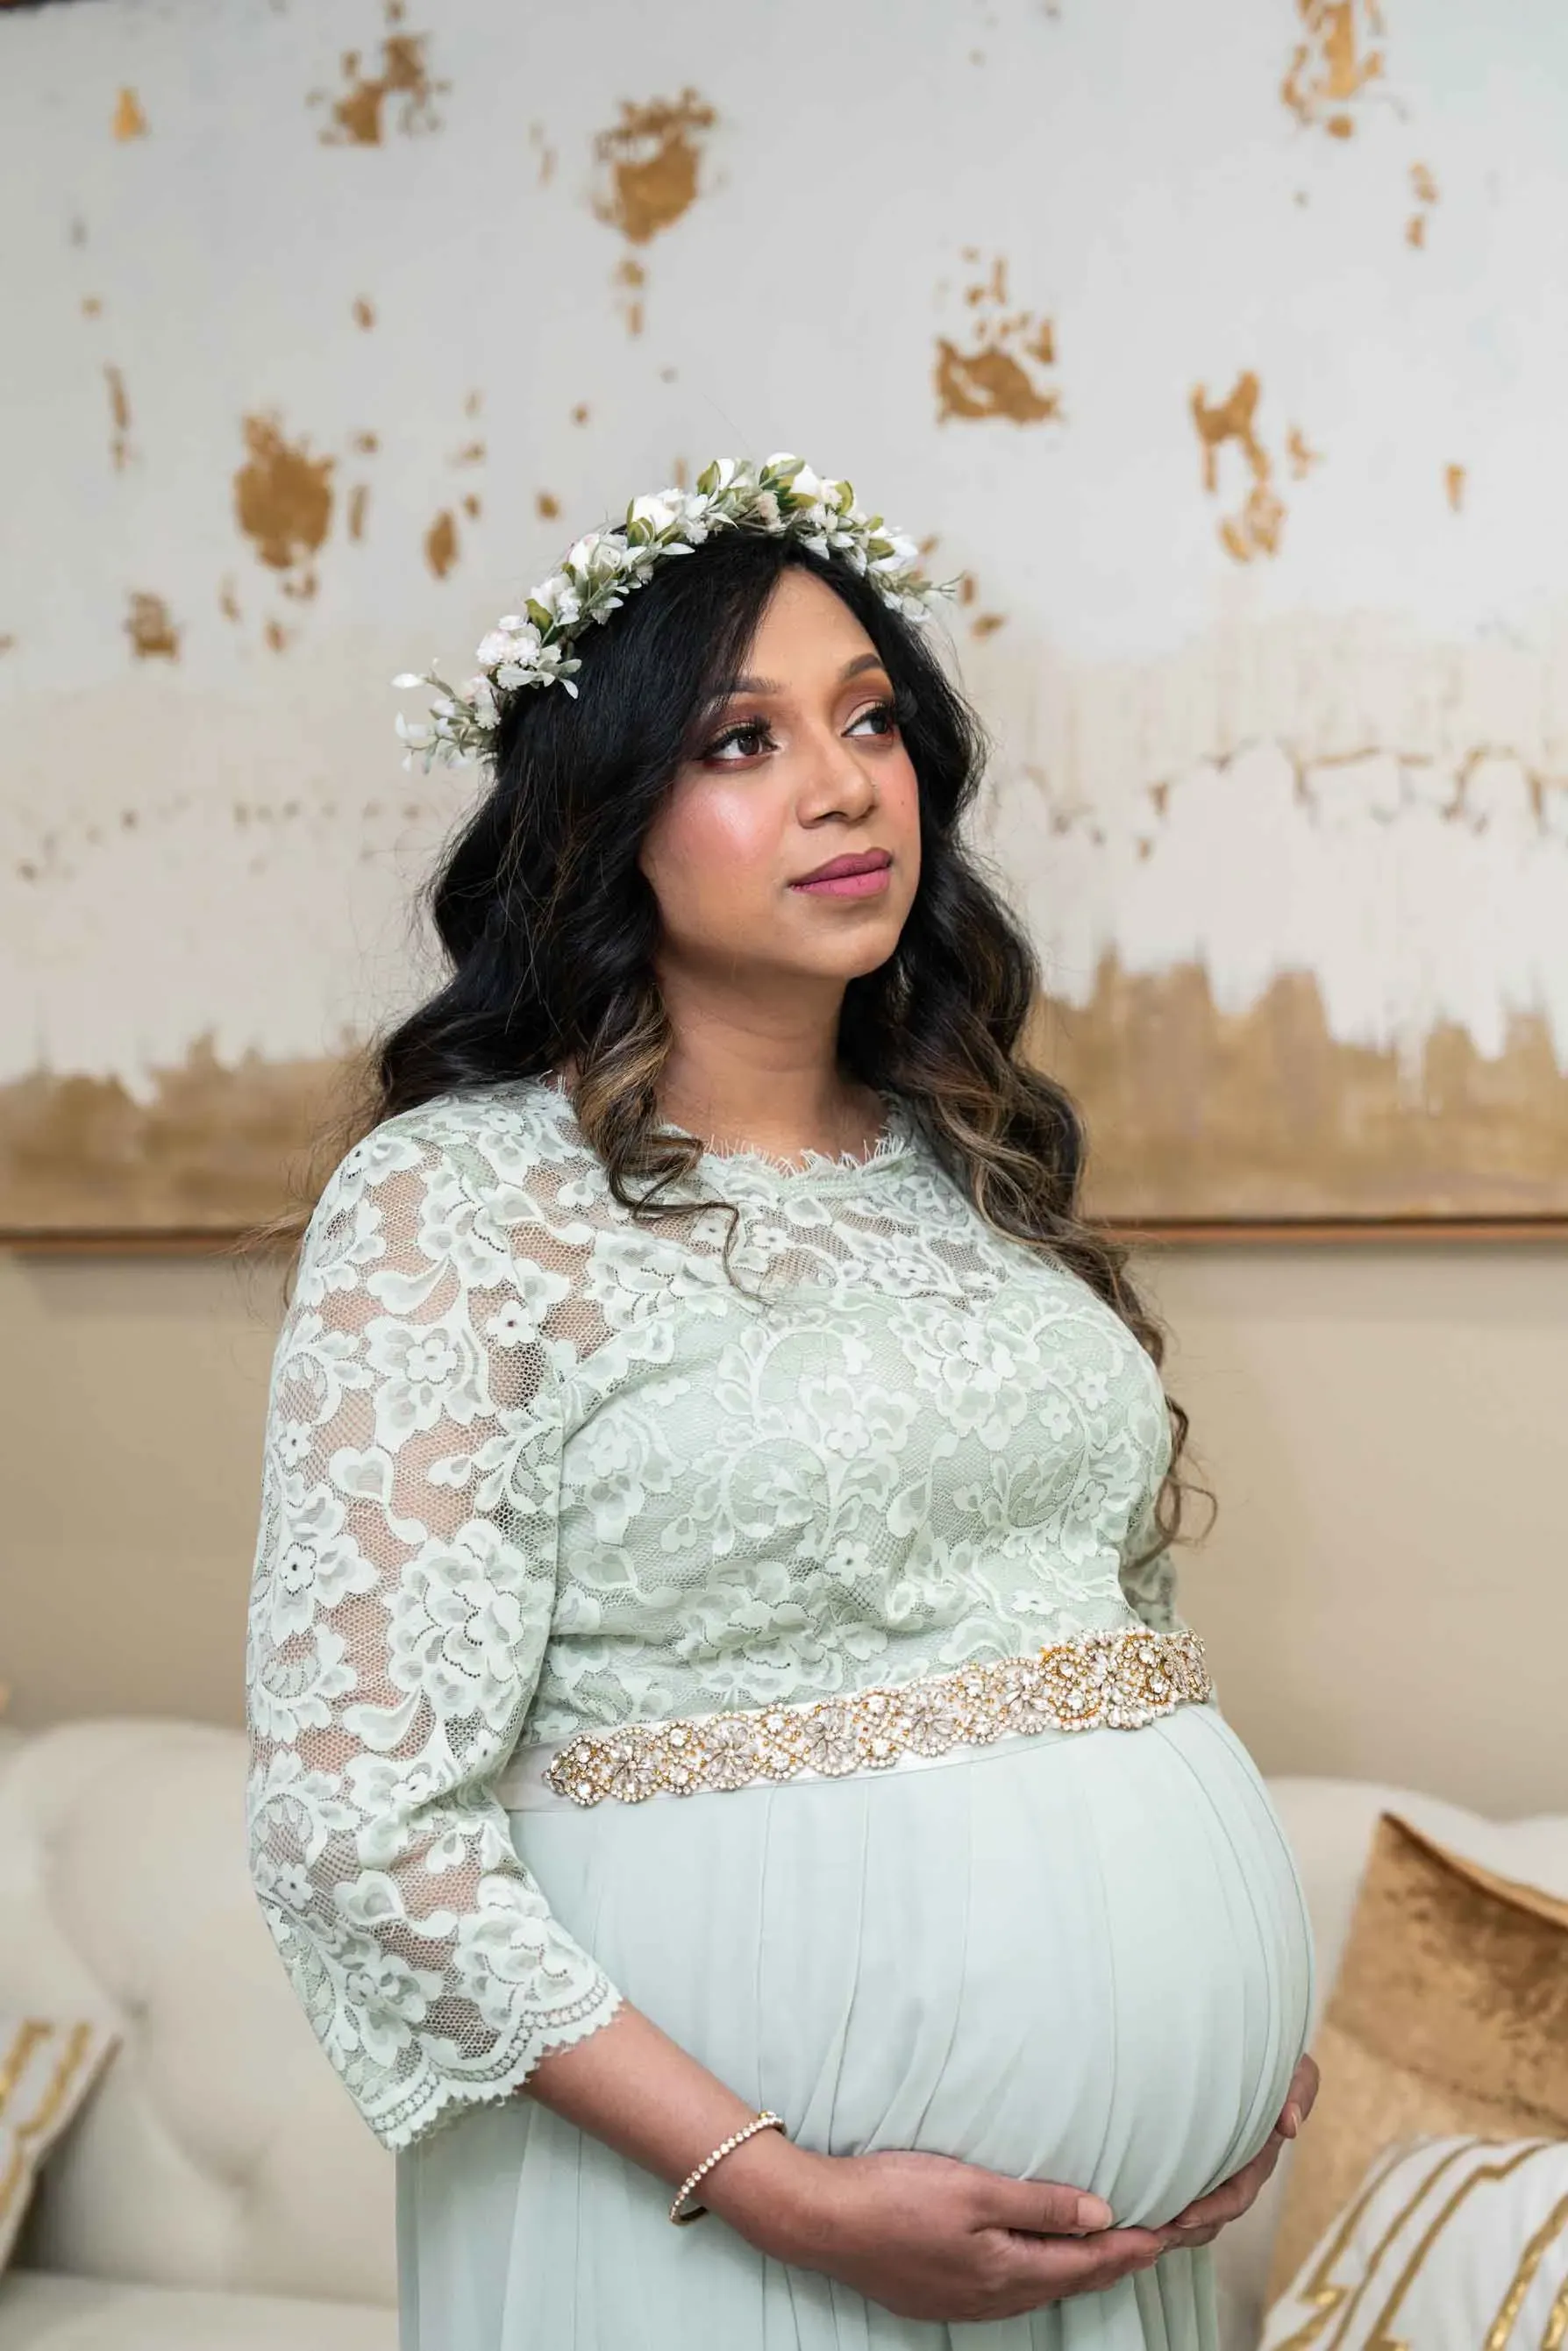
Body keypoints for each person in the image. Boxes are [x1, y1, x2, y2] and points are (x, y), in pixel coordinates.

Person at [244, 455, 1318, 2350]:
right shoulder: (464, 1201)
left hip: (1113, 2243)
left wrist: (1209, 2014)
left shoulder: (969, 1165)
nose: (843, 785)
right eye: (741, 740)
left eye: (874, 718)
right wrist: (775, 2178)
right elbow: (356, 1824)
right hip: (720, 2215)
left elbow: (1102, 1622)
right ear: (607, 811)